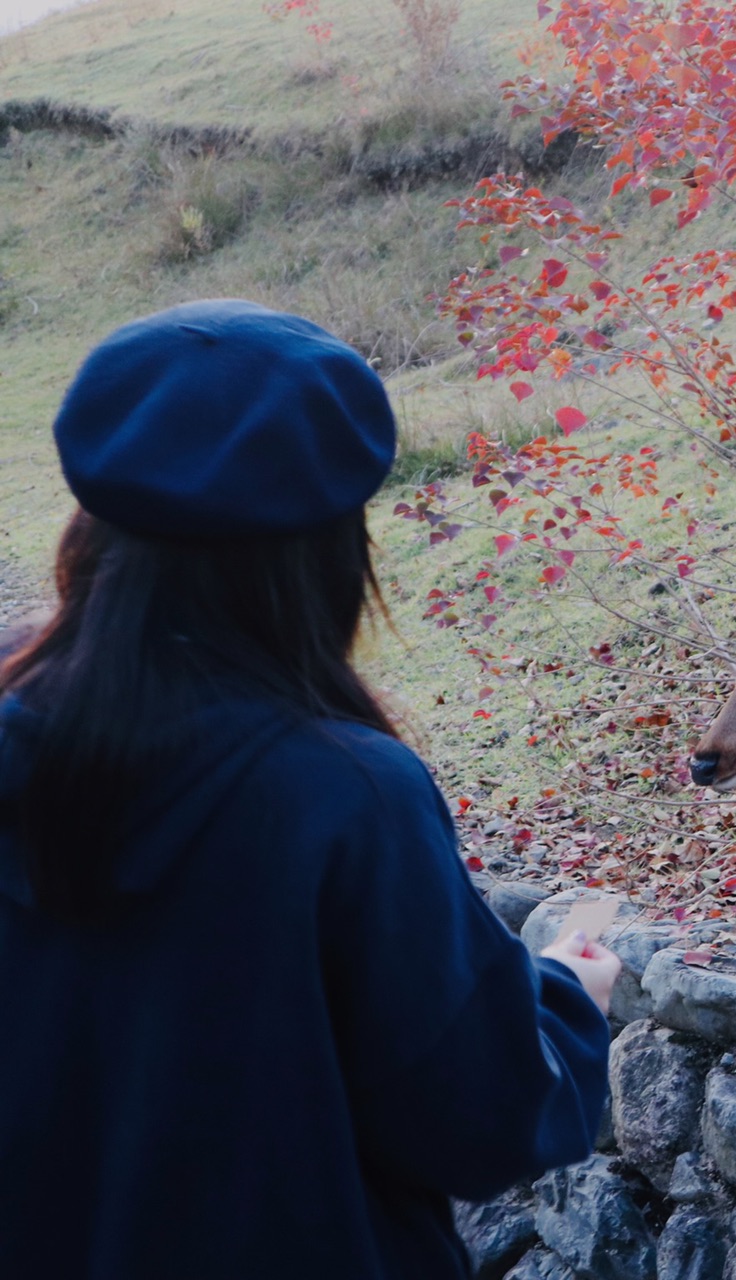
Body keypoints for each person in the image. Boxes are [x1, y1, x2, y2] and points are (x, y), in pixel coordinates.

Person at [0, 301, 621, 1278]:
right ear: (326, 556)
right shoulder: (345, 798)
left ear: (93, 520)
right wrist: (570, 1000)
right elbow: (479, 1119)